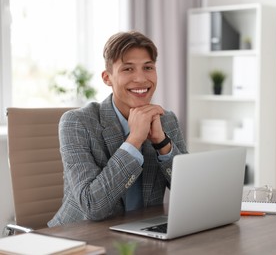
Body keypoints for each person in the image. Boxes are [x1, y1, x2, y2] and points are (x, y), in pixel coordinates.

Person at [48, 31, 187, 227]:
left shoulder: (166, 120)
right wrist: (134, 141)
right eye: (128, 69)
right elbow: (93, 206)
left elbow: (190, 194)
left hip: (142, 232)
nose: (140, 78)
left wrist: (162, 143)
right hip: (79, 236)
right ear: (107, 78)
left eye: (148, 67)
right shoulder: (77, 123)